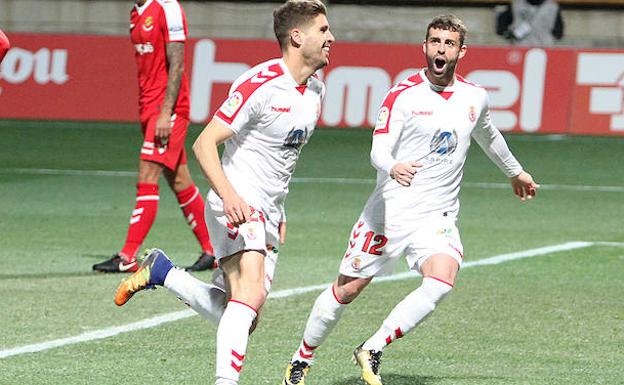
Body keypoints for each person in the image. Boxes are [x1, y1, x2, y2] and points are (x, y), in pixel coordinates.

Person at [281, 14, 539, 385]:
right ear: (424, 47)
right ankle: (301, 359)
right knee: (348, 289)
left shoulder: (474, 97)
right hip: (390, 213)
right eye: (435, 41)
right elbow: (378, 149)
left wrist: (515, 171)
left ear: (461, 51)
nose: (440, 49)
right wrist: (393, 165)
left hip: (437, 215)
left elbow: (489, 136)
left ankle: (372, 347)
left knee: (441, 279)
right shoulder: (402, 95)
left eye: (449, 44)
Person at [114, 1, 334, 384]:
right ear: (297, 37)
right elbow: (204, 144)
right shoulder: (259, 84)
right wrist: (231, 195)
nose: (332, 37)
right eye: (324, 30)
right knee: (247, 294)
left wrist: (278, 211)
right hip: (234, 202)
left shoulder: (315, 90)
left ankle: (163, 272)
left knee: (243, 315)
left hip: (267, 210)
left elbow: (281, 161)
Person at [93, 0, 216, 273]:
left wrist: (166, 113)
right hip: (149, 107)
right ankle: (213, 249)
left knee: (147, 177)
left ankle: (127, 257)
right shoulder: (136, 12)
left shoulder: (168, 7)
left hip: (166, 109)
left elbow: (177, 64)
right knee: (180, 180)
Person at [496, 0, 564, 46]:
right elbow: (501, 29)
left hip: (544, 51)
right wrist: (510, 34)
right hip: (520, 50)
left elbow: (559, 32)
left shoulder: (552, 7)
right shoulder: (516, 5)